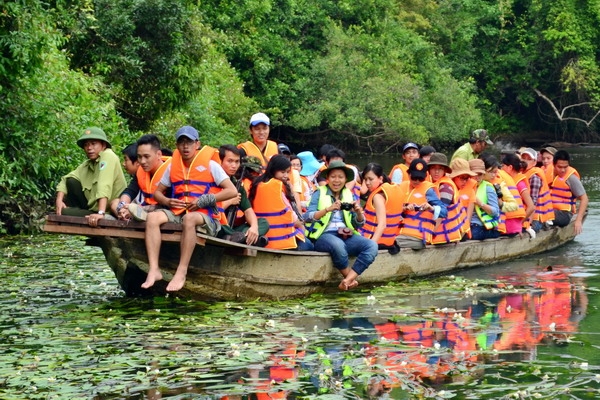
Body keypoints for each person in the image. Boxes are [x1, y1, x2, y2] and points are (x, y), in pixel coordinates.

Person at [141, 126, 237, 291]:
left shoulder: (211, 165)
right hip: (179, 212)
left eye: (189, 142)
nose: (185, 146)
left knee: (190, 219)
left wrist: (204, 200)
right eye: (182, 142)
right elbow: (157, 193)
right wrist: (167, 201)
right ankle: (154, 269)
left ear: (197, 144)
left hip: (206, 217)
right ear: (177, 145)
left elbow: (232, 191)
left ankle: (181, 270)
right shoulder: (173, 166)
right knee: (152, 218)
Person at [304, 160, 378, 290]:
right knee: (338, 246)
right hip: (323, 235)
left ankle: (348, 280)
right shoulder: (319, 192)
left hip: (346, 235)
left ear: (345, 180)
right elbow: (307, 217)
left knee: (371, 246)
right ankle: (350, 279)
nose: (336, 180)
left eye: (340, 177)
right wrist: (328, 209)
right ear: (327, 178)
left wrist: (359, 213)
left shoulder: (348, 194)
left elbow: (357, 224)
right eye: (333, 177)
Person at [55, 127, 127, 227]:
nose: (89, 148)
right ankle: (80, 212)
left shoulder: (108, 155)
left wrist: (100, 214)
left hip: (108, 211)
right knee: (71, 181)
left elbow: (104, 185)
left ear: (103, 145)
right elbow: (65, 179)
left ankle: (85, 214)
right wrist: (59, 200)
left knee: (64, 212)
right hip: (92, 208)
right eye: (86, 145)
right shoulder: (88, 164)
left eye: (93, 143)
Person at [249, 155, 314, 251]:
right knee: (309, 245)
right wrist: (301, 225)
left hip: (263, 235)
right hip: (279, 240)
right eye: (282, 172)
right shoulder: (277, 186)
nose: (286, 176)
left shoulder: (258, 183)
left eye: (288, 172)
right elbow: (293, 217)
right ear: (273, 170)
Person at [217, 144, 269, 246]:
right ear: (220, 161)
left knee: (263, 223)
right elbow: (209, 211)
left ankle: (241, 237)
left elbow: (248, 211)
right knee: (218, 226)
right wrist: (229, 201)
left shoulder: (237, 185)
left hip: (232, 228)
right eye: (230, 161)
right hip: (217, 225)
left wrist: (254, 227)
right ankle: (249, 239)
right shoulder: (212, 180)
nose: (234, 165)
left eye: (237, 162)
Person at [111, 134, 171, 221]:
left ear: (158, 154)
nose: (142, 161)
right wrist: (122, 206)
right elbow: (130, 191)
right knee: (115, 203)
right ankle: (125, 216)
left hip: (162, 212)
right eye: (139, 157)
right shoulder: (141, 171)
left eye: (146, 156)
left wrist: (133, 209)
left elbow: (168, 204)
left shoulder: (171, 169)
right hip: (144, 208)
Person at [395, 159, 447, 249]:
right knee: (385, 240)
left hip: (419, 237)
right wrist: (404, 208)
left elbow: (444, 212)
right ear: (409, 174)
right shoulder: (401, 187)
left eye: (421, 178)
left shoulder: (429, 191)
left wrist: (431, 208)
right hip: (399, 232)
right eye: (414, 178)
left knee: (391, 243)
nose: (417, 181)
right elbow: (391, 209)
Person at [359, 163, 404, 250]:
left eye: (371, 179)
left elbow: (382, 224)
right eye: (365, 179)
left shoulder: (377, 197)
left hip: (375, 241)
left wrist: (371, 246)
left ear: (380, 179)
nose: (367, 183)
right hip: (389, 241)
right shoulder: (391, 190)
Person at [427, 153, 464, 244]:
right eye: (433, 168)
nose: (436, 172)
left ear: (444, 171)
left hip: (445, 234)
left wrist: (428, 236)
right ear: (429, 170)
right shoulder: (431, 183)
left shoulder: (445, 187)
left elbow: (441, 213)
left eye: (440, 169)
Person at [550, 150, 588, 234]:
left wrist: (578, 220)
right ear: (554, 165)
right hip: (550, 209)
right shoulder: (549, 173)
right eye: (559, 167)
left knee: (543, 215)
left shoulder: (571, 178)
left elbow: (584, 198)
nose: (563, 170)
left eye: (565, 167)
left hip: (565, 213)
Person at [520, 147, 555, 232]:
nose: (525, 161)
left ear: (535, 162)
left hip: (535, 219)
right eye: (523, 158)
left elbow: (532, 204)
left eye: (529, 159)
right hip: (524, 214)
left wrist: (528, 225)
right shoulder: (520, 174)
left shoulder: (534, 178)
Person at [501, 153, 535, 236]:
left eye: (503, 166)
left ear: (510, 167)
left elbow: (531, 207)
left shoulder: (520, 183)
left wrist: (519, 223)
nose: (501, 169)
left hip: (518, 223)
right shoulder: (508, 180)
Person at [468, 158, 500, 240]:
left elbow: (495, 212)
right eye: (475, 174)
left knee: (474, 234)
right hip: (466, 224)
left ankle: (493, 233)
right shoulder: (463, 186)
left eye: (480, 174)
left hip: (479, 225)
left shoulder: (488, 188)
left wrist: (480, 203)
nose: (478, 178)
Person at [449, 158, 477, 239]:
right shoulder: (446, 188)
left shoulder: (470, 191)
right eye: (462, 178)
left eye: (467, 178)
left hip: (462, 233)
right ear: (454, 177)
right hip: (447, 231)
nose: (465, 181)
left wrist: (460, 235)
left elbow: (468, 218)